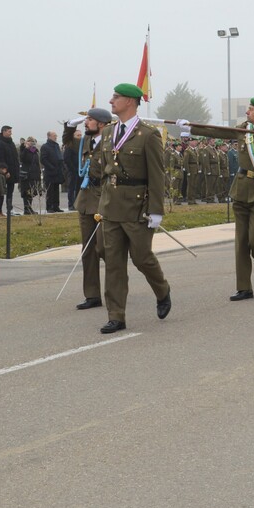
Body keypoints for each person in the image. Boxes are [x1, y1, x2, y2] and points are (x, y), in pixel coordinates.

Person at [178, 96, 254, 301]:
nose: (247, 112)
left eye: (250, 109)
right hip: (241, 189)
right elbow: (218, 131)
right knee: (242, 242)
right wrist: (191, 127)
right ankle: (244, 287)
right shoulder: (243, 129)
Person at [97, 84, 172, 334]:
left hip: (137, 207)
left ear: (130, 101)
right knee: (114, 263)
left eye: (116, 97)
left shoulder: (148, 135)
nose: (111, 100)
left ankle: (162, 290)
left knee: (141, 258)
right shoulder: (108, 132)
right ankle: (116, 315)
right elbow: (106, 172)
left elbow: (157, 175)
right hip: (111, 206)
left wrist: (156, 210)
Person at [68, 108, 112, 309]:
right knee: (88, 250)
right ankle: (92, 295)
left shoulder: (112, 142)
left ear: (102, 124)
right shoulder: (86, 141)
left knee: (106, 248)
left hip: (105, 200)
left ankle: (116, 289)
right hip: (86, 200)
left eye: (90, 120)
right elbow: (68, 143)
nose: (86, 123)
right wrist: (69, 127)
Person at [0, 125, 19, 216]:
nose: (11, 133)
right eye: (9, 131)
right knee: (1, 192)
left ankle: (9, 209)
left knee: (10, 192)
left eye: (11, 131)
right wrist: (5, 171)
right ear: (3, 132)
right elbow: (0, 159)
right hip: (4, 173)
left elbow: (15, 158)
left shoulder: (11, 143)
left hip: (13, 171)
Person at [40, 130, 64, 213]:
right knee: (50, 191)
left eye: (56, 135)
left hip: (58, 172)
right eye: (54, 135)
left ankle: (56, 206)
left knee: (56, 190)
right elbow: (43, 159)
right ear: (49, 136)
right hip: (50, 173)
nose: (56, 137)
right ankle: (49, 207)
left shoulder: (56, 146)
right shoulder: (45, 147)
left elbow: (59, 157)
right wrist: (51, 167)